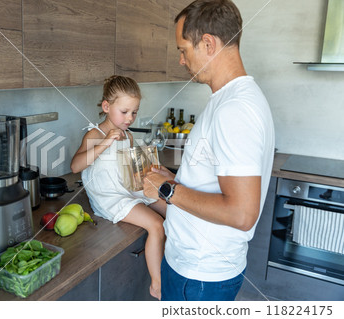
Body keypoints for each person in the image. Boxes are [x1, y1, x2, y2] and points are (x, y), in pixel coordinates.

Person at [143, 0, 275, 301]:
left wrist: (165, 188)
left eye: (183, 49)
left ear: (208, 44)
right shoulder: (229, 100)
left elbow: (241, 213)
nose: (181, 59)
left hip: (201, 276)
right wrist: (171, 179)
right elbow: (211, 178)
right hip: (196, 268)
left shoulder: (235, 109)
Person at [71, 75, 166, 300]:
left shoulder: (129, 136)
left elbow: (129, 170)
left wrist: (149, 169)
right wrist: (105, 143)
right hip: (109, 197)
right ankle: (157, 284)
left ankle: (169, 263)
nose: (130, 117)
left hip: (127, 189)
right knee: (156, 224)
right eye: (124, 112)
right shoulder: (95, 134)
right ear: (106, 106)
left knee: (175, 211)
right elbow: (75, 166)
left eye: (134, 112)